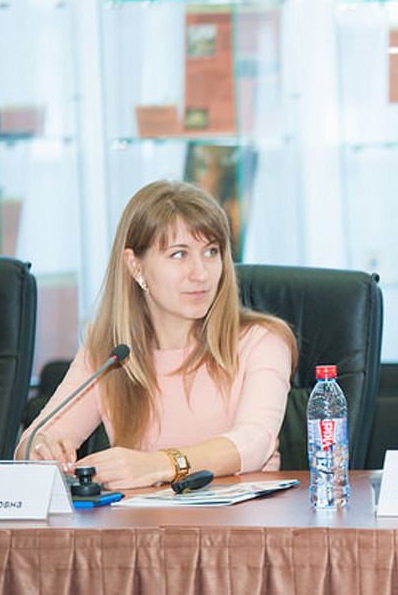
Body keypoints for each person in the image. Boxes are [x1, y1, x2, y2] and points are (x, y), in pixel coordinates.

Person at [16, 180, 295, 489]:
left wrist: (162, 464)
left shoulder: (262, 341)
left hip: (241, 518)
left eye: (211, 252)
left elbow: (255, 441)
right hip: (141, 519)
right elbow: (31, 442)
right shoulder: (110, 351)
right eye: (179, 255)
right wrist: (41, 449)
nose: (201, 273)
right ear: (135, 266)